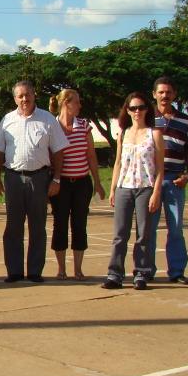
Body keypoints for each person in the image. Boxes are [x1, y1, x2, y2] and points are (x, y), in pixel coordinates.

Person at [0, 81, 68, 283]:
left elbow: (59, 151)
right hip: (13, 178)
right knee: (13, 227)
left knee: (37, 227)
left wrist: (57, 179)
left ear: (34, 95)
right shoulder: (7, 120)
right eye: (20, 96)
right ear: (15, 98)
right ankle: (14, 271)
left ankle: (35, 271)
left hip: (40, 178)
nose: (24, 99)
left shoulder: (47, 119)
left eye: (27, 95)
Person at [102, 92, 164, 290]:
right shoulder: (123, 133)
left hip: (145, 187)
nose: (137, 112)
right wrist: (113, 189)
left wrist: (156, 192)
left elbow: (160, 168)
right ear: (127, 110)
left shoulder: (154, 134)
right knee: (120, 234)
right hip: (124, 187)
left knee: (144, 233)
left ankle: (142, 273)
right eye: (133, 108)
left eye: (141, 107)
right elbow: (118, 163)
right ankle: (115, 273)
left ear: (147, 109)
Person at [48, 88, 105, 280]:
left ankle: (78, 269)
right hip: (61, 184)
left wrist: (97, 182)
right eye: (77, 102)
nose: (80, 105)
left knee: (79, 224)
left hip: (82, 183)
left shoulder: (84, 125)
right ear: (66, 103)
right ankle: (61, 269)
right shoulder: (52, 126)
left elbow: (91, 155)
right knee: (60, 224)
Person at [148, 76, 188, 284]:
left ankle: (176, 271)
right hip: (150, 181)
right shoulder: (147, 117)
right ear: (154, 94)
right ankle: (146, 269)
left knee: (175, 228)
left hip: (175, 179)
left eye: (168, 92)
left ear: (174, 94)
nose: (165, 96)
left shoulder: (184, 120)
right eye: (161, 92)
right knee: (148, 228)